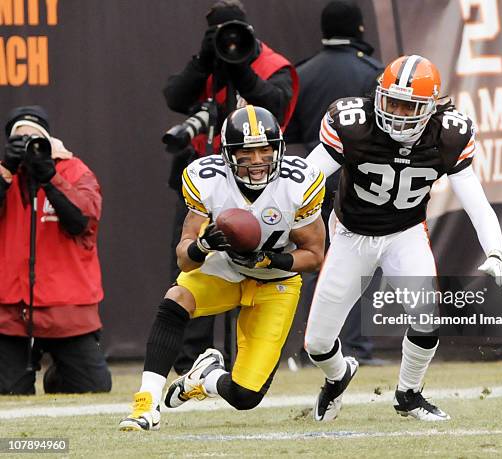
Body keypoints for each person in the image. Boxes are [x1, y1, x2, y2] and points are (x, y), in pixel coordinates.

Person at [304, 55, 502, 422]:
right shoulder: (354, 124)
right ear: (378, 96)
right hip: (352, 234)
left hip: (405, 233)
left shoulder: (447, 134)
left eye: (409, 105)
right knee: (317, 344)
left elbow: (476, 202)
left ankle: (409, 394)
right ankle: (338, 376)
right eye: (392, 102)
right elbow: (305, 178)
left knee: (427, 314)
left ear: (430, 108)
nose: (398, 114)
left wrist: (495, 252)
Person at [119, 105, 325, 431]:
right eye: (246, 152)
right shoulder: (207, 179)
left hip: (276, 282)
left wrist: (273, 260)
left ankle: (206, 377)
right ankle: (146, 403)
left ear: (279, 149)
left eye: (265, 149)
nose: (257, 160)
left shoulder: (298, 185)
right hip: (227, 268)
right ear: (228, 154)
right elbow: (183, 258)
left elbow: (314, 256)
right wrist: (204, 246)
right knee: (177, 297)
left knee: (245, 395)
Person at [163, 0, 299, 374]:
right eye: (220, 35)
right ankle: (190, 362)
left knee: (253, 262)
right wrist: (203, 60)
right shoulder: (208, 62)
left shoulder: (271, 64)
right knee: (195, 262)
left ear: (249, 33)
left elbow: (279, 106)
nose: (229, 42)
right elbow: (175, 96)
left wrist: (241, 70)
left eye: (233, 34)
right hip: (207, 183)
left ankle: (245, 360)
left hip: (261, 183)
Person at [285, 0, 385, 366]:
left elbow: (292, 130)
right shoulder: (370, 73)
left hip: (314, 179)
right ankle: (355, 346)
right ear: (359, 29)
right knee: (360, 260)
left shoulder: (303, 73)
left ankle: (310, 346)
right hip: (360, 181)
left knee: (313, 260)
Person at [0, 106, 111, 395]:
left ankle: (56, 376)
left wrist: (50, 178)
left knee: (93, 389)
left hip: (67, 307)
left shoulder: (74, 170)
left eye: (34, 139)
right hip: (9, 310)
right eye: (19, 140)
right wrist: (5, 172)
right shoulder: (4, 172)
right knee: (8, 393)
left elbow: (83, 222)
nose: (27, 147)